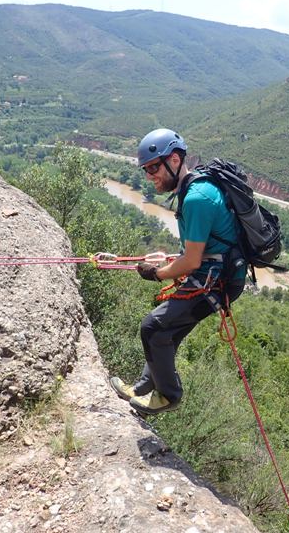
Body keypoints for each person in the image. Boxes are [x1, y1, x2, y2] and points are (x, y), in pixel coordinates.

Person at [110, 128, 246, 415]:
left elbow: (192, 261)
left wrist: (156, 273)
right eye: (146, 169)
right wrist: (172, 261)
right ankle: (142, 389)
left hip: (216, 280)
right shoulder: (194, 188)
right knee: (166, 332)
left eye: (154, 167)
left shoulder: (196, 198)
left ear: (174, 159)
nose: (149, 176)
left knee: (153, 326)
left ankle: (168, 395)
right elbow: (199, 249)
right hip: (217, 273)